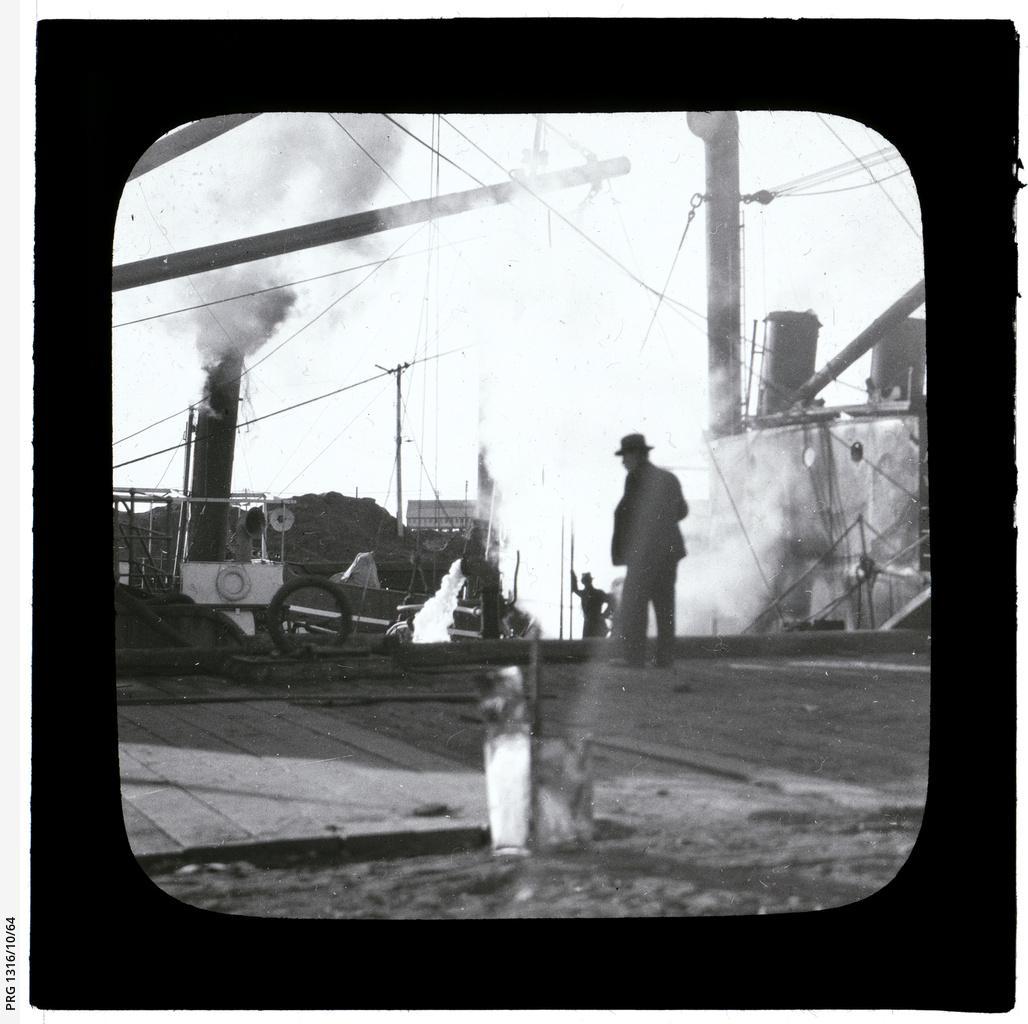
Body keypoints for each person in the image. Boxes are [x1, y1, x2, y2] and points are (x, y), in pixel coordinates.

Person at [610, 432, 689, 668]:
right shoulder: (669, 478)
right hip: (669, 551)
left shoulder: (635, 478)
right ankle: (665, 658)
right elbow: (682, 511)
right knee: (665, 604)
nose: (623, 461)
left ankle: (634, 658)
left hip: (644, 553)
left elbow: (628, 514)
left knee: (634, 604)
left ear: (635, 455)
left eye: (625, 456)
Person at [570, 570, 612, 638]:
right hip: (589, 624)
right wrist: (573, 575)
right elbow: (575, 589)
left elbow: (611, 602)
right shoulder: (585, 594)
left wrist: (605, 614)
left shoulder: (598, 593)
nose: (587, 583)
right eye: (585, 581)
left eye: (587, 581)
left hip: (596, 624)